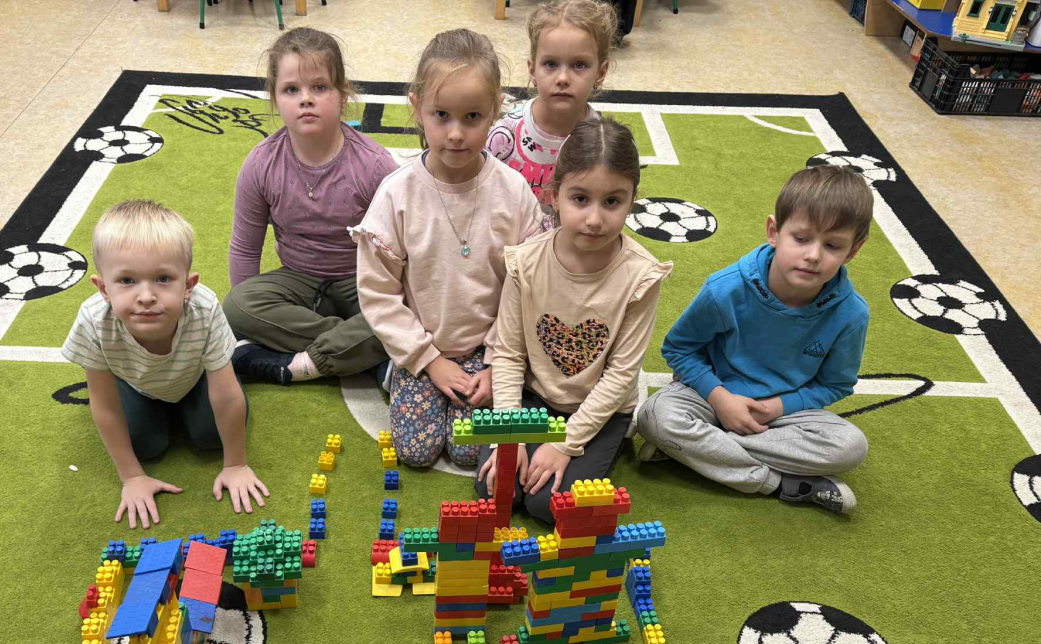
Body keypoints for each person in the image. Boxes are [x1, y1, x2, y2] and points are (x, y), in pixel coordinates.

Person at [635, 165, 873, 514]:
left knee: (851, 446)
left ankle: (695, 450)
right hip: (708, 396)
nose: (813, 255)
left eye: (832, 245)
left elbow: (835, 384)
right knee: (655, 416)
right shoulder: (726, 288)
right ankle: (781, 483)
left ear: (852, 251)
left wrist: (777, 407)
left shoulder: (851, 314)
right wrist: (721, 399)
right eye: (801, 238)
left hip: (781, 415)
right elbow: (679, 349)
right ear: (774, 232)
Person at [353, 29, 541, 468]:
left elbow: (527, 288)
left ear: (496, 110)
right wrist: (427, 359)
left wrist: (497, 362)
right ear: (417, 107)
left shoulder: (513, 192)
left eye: (472, 116)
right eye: (441, 115)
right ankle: (393, 369)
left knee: (469, 451)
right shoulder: (397, 193)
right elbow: (378, 293)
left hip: (490, 351)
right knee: (415, 452)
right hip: (423, 347)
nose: (456, 134)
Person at [476, 118, 671, 523]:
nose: (595, 219)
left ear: (632, 201)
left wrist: (565, 443)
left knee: (546, 504)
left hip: (601, 409)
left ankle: (608, 444)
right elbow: (509, 355)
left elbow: (620, 376)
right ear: (554, 195)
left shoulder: (641, 276)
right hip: (535, 397)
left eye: (612, 202)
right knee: (496, 490)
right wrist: (509, 437)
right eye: (580, 199)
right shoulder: (525, 262)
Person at [61, 200, 268, 529]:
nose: (146, 296)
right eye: (126, 280)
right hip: (135, 384)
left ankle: (237, 357)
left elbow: (227, 397)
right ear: (103, 289)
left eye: (162, 278)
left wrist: (236, 464)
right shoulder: (93, 321)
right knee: (145, 445)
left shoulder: (204, 309)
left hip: (196, 378)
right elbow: (104, 404)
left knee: (212, 436)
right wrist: (132, 477)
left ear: (188, 285)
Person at [226, 27, 398, 387]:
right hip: (297, 282)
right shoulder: (260, 164)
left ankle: (301, 363)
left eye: (320, 87)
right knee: (236, 306)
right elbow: (245, 248)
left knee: (416, 308)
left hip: (362, 282)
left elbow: (403, 249)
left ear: (343, 93)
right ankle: (361, 351)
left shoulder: (374, 164)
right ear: (275, 98)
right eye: (291, 89)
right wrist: (249, 322)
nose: (306, 99)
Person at [486, 0, 617, 226]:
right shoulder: (505, 135)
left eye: (579, 65)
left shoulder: (604, 143)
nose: (563, 78)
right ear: (532, 68)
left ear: (600, 72)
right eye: (551, 64)